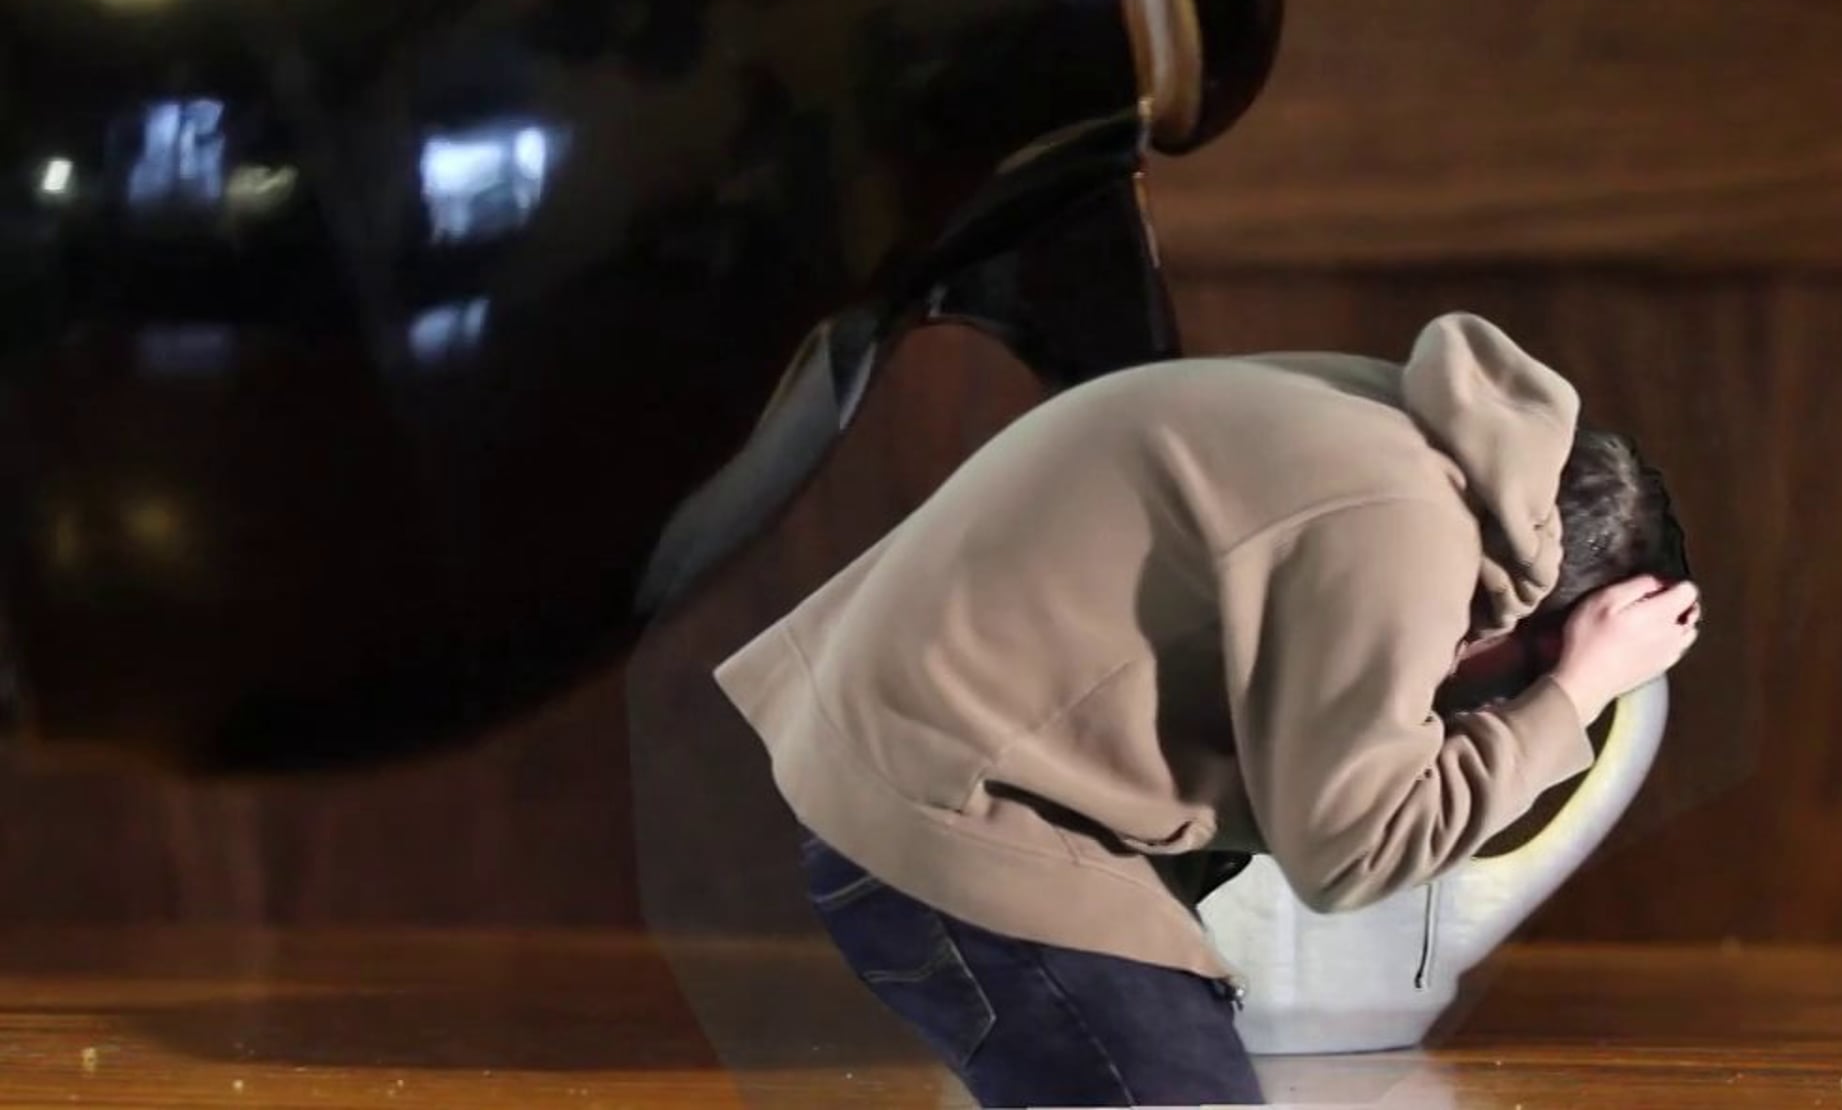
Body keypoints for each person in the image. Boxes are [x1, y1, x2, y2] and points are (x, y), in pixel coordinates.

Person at [713, 312, 1700, 1108]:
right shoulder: (1405, 526)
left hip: (929, 755)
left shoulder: (1394, 424)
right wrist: (1574, 692)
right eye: (1497, 682)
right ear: (1532, 617)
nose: (1457, 701)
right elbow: (1356, 852)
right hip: (959, 808)